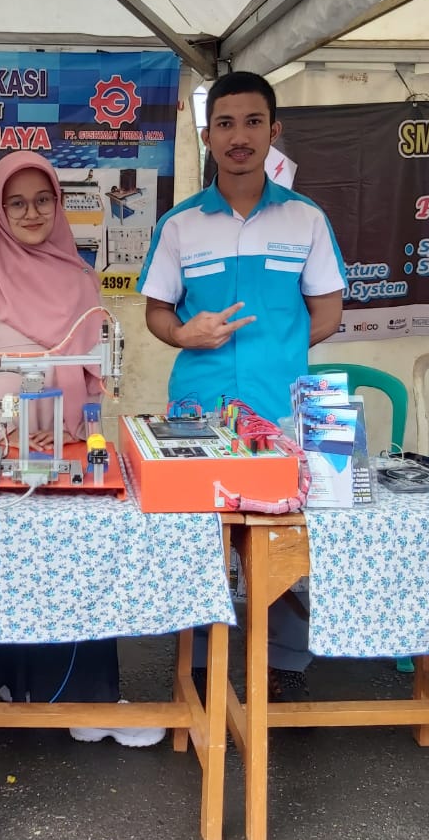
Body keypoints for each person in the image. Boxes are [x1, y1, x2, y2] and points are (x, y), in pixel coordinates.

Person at [0, 151, 163, 747]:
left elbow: (94, 375)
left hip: (67, 450)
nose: (31, 212)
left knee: (80, 564)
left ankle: (87, 703)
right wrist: (3, 431)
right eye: (16, 202)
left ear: (59, 205)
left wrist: (82, 434)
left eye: (42, 200)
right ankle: (10, 687)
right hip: (2, 451)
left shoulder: (83, 281)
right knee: (7, 569)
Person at [138, 70, 346, 702]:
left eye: (253, 122)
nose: (238, 137)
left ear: (272, 130)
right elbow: (156, 312)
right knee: (205, 539)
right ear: (207, 136)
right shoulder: (180, 224)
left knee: (283, 536)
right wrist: (184, 334)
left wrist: (279, 350)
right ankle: (202, 662)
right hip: (198, 408)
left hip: (280, 407)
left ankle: (285, 659)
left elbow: (328, 311)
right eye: (225, 124)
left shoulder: (306, 219)